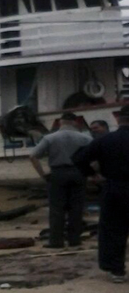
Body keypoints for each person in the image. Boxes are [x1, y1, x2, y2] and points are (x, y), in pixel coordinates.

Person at [73, 105, 129, 283]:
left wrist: (92, 175)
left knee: (113, 229)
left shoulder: (105, 140)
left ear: (118, 119)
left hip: (114, 187)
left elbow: (79, 158)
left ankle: (116, 270)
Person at [29, 112, 92, 248]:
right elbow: (96, 157)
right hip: (79, 173)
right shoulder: (86, 138)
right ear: (75, 122)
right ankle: (74, 240)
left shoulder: (50, 138)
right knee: (77, 208)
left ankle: (56, 241)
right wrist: (93, 173)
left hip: (58, 173)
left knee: (57, 209)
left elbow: (33, 156)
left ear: (59, 122)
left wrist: (43, 175)